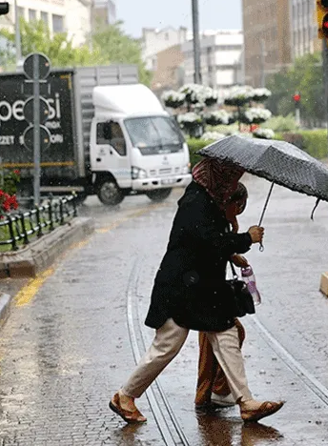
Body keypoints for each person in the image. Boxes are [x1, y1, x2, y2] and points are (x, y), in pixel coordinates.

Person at [110, 159, 284, 424]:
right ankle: (125, 396)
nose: (231, 185)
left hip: (203, 290)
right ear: (217, 177)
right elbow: (208, 242)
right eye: (228, 178)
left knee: (226, 335)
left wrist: (233, 252)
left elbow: (207, 243)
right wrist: (246, 238)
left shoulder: (208, 200)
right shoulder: (196, 203)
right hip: (181, 289)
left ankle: (246, 402)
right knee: (167, 345)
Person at [195, 183, 249, 409]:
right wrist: (243, 240)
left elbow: (220, 248)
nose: (239, 211)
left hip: (210, 290)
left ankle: (213, 391)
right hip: (203, 290)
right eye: (238, 206)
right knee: (216, 342)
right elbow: (210, 248)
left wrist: (233, 255)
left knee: (215, 342)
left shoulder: (225, 222)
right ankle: (211, 392)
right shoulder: (213, 221)